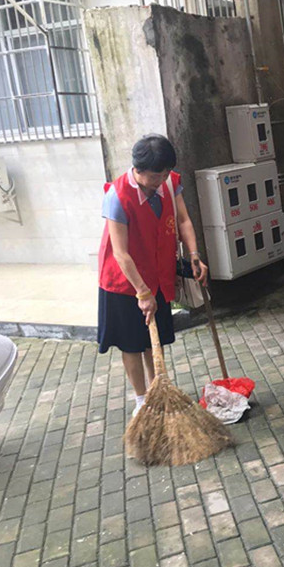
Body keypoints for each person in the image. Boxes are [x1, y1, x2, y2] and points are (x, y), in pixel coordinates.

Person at [97, 135, 208, 417]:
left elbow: (182, 220)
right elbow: (121, 253)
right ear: (138, 169)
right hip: (123, 281)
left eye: (164, 174)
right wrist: (142, 293)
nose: (161, 180)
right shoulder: (118, 196)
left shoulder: (169, 182)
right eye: (155, 176)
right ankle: (140, 399)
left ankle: (159, 387)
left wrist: (194, 255)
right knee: (132, 342)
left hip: (157, 271)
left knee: (152, 339)